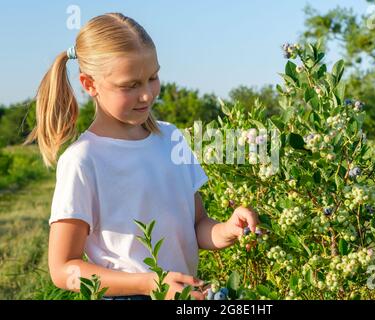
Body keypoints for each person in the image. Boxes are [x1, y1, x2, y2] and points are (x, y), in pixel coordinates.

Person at [24, 13, 259, 300]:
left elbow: (197, 226)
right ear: (89, 84)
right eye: (131, 85)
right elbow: (63, 269)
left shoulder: (171, 139)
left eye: (153, 77)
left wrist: (227, 229)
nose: (147, 95)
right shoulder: (83, 160)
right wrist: (150, 283)